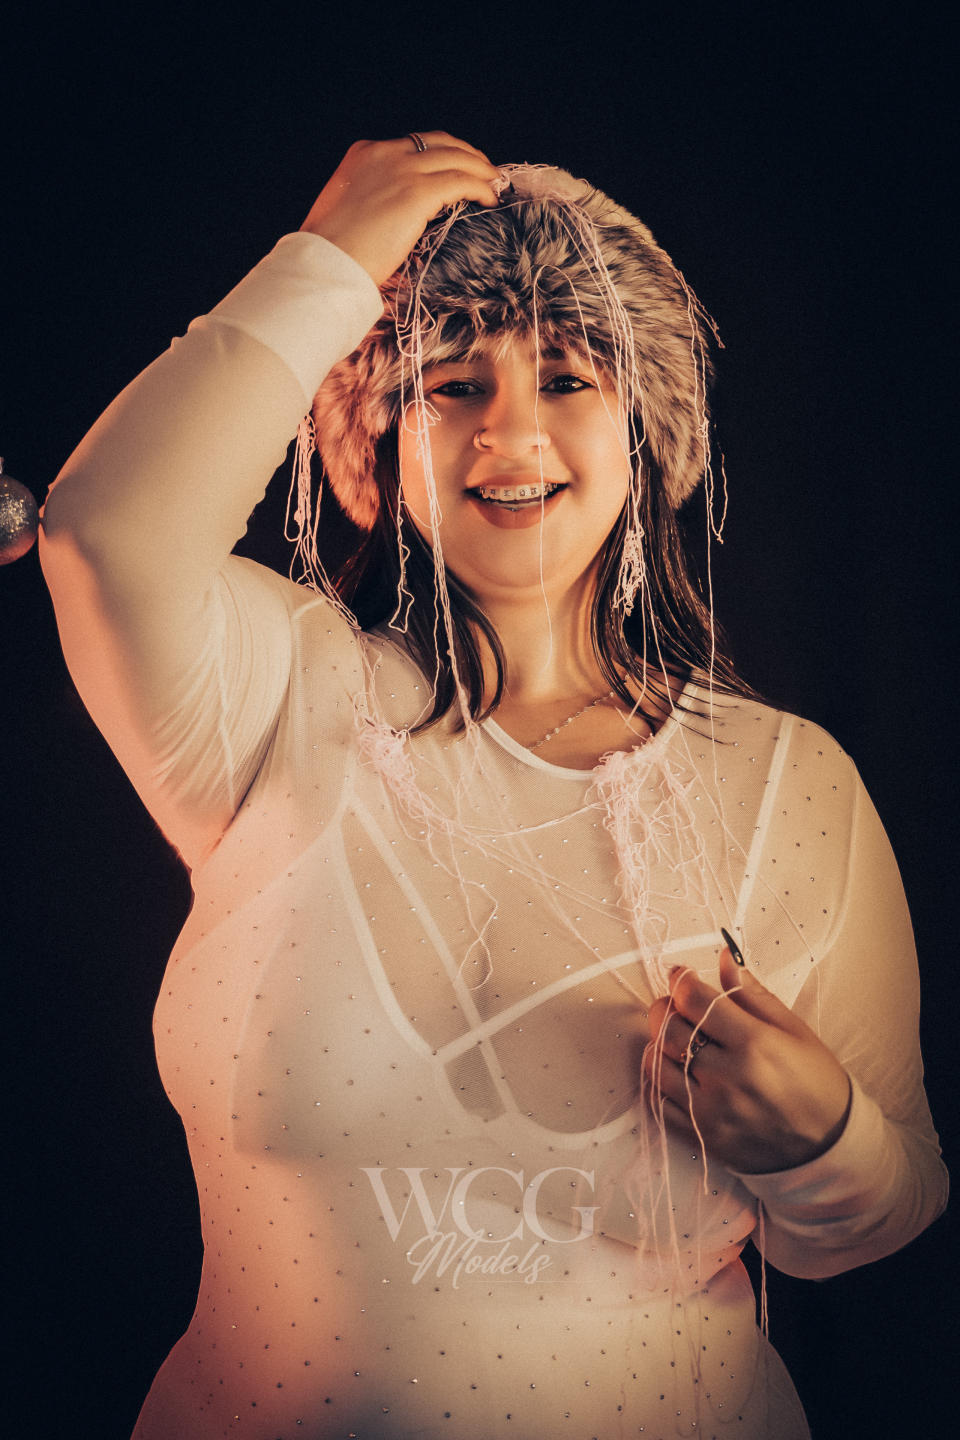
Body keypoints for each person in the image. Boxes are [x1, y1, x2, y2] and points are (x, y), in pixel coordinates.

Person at [40, 133, 947, 1439]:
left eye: (568, 376)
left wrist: (828, 1141)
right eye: (452, 382)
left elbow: (887, 1209)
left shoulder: (785, 784)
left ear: (645, 432)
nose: (510, 430)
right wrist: (333, 257)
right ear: (377, 437)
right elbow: (104, 533)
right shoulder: (275, 698)